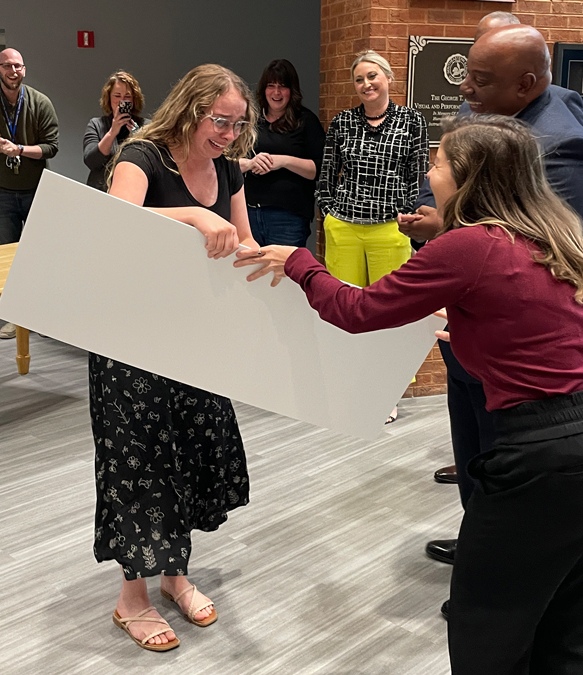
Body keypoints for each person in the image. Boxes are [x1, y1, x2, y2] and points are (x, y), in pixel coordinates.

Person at [237, 115, 583, 675]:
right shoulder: (551, 230)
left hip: (552, 460)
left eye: (436, 163)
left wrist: (299, 261)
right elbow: (541, 323)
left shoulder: (468, 246)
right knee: (566, 636)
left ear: (468, 177)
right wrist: (475, 329)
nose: (428, 173)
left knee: (486, 632)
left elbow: (357, 312)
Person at [402, 23, 583, 582]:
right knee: (474, 457)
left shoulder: (565, 147)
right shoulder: (485, 113)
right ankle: (481, 548)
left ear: (526, 84)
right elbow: (440, 188)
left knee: (509, 469)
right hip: (466, 337)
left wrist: (441, 227)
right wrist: (432, 221)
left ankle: (503, 576)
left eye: (480, 79)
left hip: (515, 352)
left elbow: (529, 243)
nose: (465, 88)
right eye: (468, 72)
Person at [94, 63, 261, 652]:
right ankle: (130, 598)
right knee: (139, 464)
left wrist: (278, 264)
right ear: (191, 108)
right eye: (220, 121)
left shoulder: (227, 169)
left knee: (188, 458)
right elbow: (115, 226)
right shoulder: (141, 156)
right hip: (133, 343)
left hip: (195, 341)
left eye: (238, 125)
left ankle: (174, 576)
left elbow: (242, 246)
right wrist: (192, 215)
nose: (228, 134)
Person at [319, 50, 429, 423]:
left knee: (391, 311)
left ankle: (386, 392)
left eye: (372, 77)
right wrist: (328, 210)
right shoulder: (342, 122)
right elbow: (327, 172)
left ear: (387, 78)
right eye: (359, 79)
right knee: (341, 308)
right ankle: (347, 388)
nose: (366, 84)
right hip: (345, 227)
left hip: (389, 229)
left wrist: (410, 216)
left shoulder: (411, 121)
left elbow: (417, 174)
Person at [0, 48, 59, 339]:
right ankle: (16, 318)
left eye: (17, 66)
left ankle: (41, 315)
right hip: (0, 192)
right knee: (7, 258)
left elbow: (51, 147)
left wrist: (19, 149)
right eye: (6, 65)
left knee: (38, 256)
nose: (12, 70)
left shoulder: (40, 103)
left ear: (24, 70)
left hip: (36, 191)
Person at [240, 59, 325, 247]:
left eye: (283, 86)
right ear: (264, 89)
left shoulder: (306, 121)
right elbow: (227, 160)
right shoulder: (251, 120)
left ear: (291, 91)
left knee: (284, 273)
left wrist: (283, 161)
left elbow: (319, 170)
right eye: (271, 86)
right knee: (248, 272)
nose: (276, 92)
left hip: (288, 218)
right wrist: (250, 163)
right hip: (249, 213)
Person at [83, 70, 147, 192]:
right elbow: (91, 161)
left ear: (134, 100)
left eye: (127, 97)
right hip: (100, 191)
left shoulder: (146, 126)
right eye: (117, 96)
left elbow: (152, 162)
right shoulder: (96, 124)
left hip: (132, 191)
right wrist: (112, 132)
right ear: (109, 98)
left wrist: (138, 137)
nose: (121, 101)